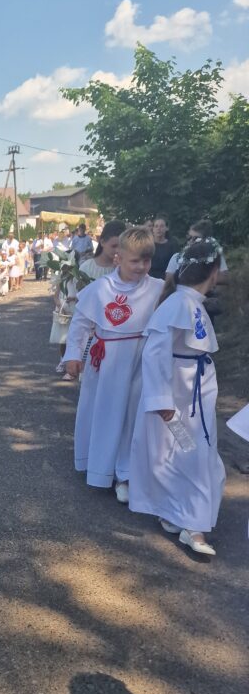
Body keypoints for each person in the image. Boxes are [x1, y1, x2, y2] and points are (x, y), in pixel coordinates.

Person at [129, 239, 225, 555]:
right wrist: (161, 401)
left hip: (194, 394)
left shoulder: (191, 303)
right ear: (213, 271)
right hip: (179, 399)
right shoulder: (177, 305)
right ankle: (194, 526)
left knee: (190, 453)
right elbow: (154, 354)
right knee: (189, 454)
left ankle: (177, 512)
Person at [64, 227, 164, 502]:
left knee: (131, 416)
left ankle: (126, 473)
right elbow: (80, 324)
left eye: (146, 261)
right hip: (105, 363)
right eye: (135, 261)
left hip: (139, 363)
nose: (141, 267)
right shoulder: (100, 289)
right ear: (118, 257)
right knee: (104, 413)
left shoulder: (157, 289)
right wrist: (73, 355)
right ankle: (99, 466)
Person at [148, 215, 179, 280]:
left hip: (165, 279)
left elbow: (174, 266)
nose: (158, 229)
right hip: (148, 278)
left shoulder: (173, 245)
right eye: (156, 226)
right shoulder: (147, 244)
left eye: (161, 226)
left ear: (167, 228)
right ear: (153, 229)